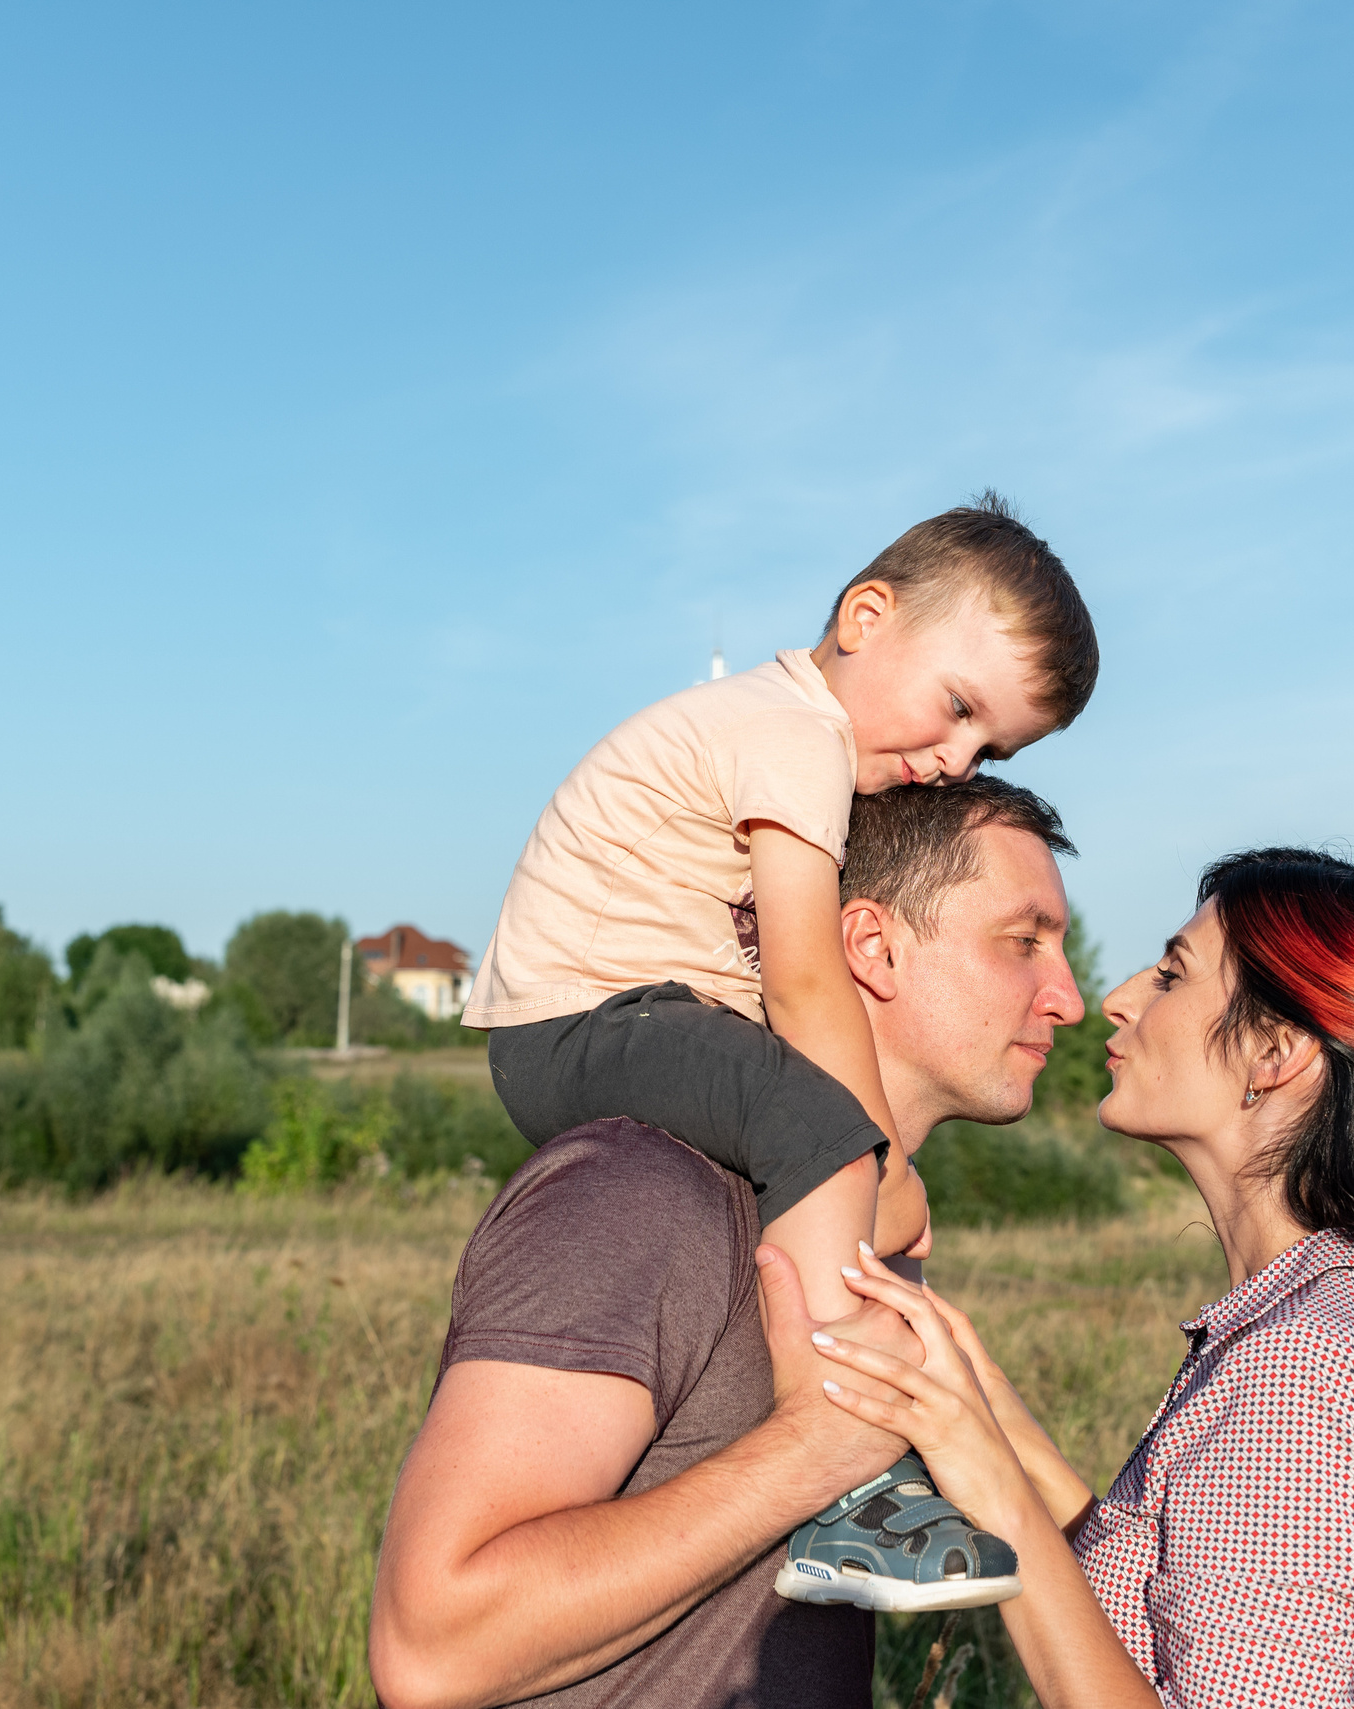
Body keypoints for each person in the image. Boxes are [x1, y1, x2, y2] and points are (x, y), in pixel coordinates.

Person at [461, 494, 1098, 1606]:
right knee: (822, 1130)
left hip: (605, 1015)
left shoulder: (782, 733)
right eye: (957, 707)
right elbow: (806, 979)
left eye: (988, 745)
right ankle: (845, 1478)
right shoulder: (796, 736)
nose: (955, 758)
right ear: (864, 617)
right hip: (585, 1017)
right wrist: (876, 1164)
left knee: (813, 1135)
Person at [371, 779, 1090, 1709]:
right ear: (871, 945)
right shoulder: (645, 1189)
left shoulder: (864, 1230)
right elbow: (433, 1647)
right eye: (1024, 941)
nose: (1068, 998)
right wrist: (816, 1448)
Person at [806, 848, 1354, 1708]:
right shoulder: (1352, 1311)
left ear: (1273, 1052)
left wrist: (994, 1488)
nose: (1117, 999)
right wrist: (990, 1413)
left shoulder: (1310, 1374)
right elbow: (1166, 1600)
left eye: (1171, 975)